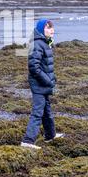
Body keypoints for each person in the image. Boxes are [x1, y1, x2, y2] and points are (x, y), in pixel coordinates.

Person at [20, 19, 65, 150]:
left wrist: (52, 79)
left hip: (44, 84)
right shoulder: (37, 44)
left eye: (52, 27)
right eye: (48, 28)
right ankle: (27, 141)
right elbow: (34, 67)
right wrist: (47, 81)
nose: (52, 30)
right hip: (39, 85)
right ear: (41, 30)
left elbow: (46, 66)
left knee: (47, 112)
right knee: (37, 113)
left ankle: (50, 136)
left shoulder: (46, 43)